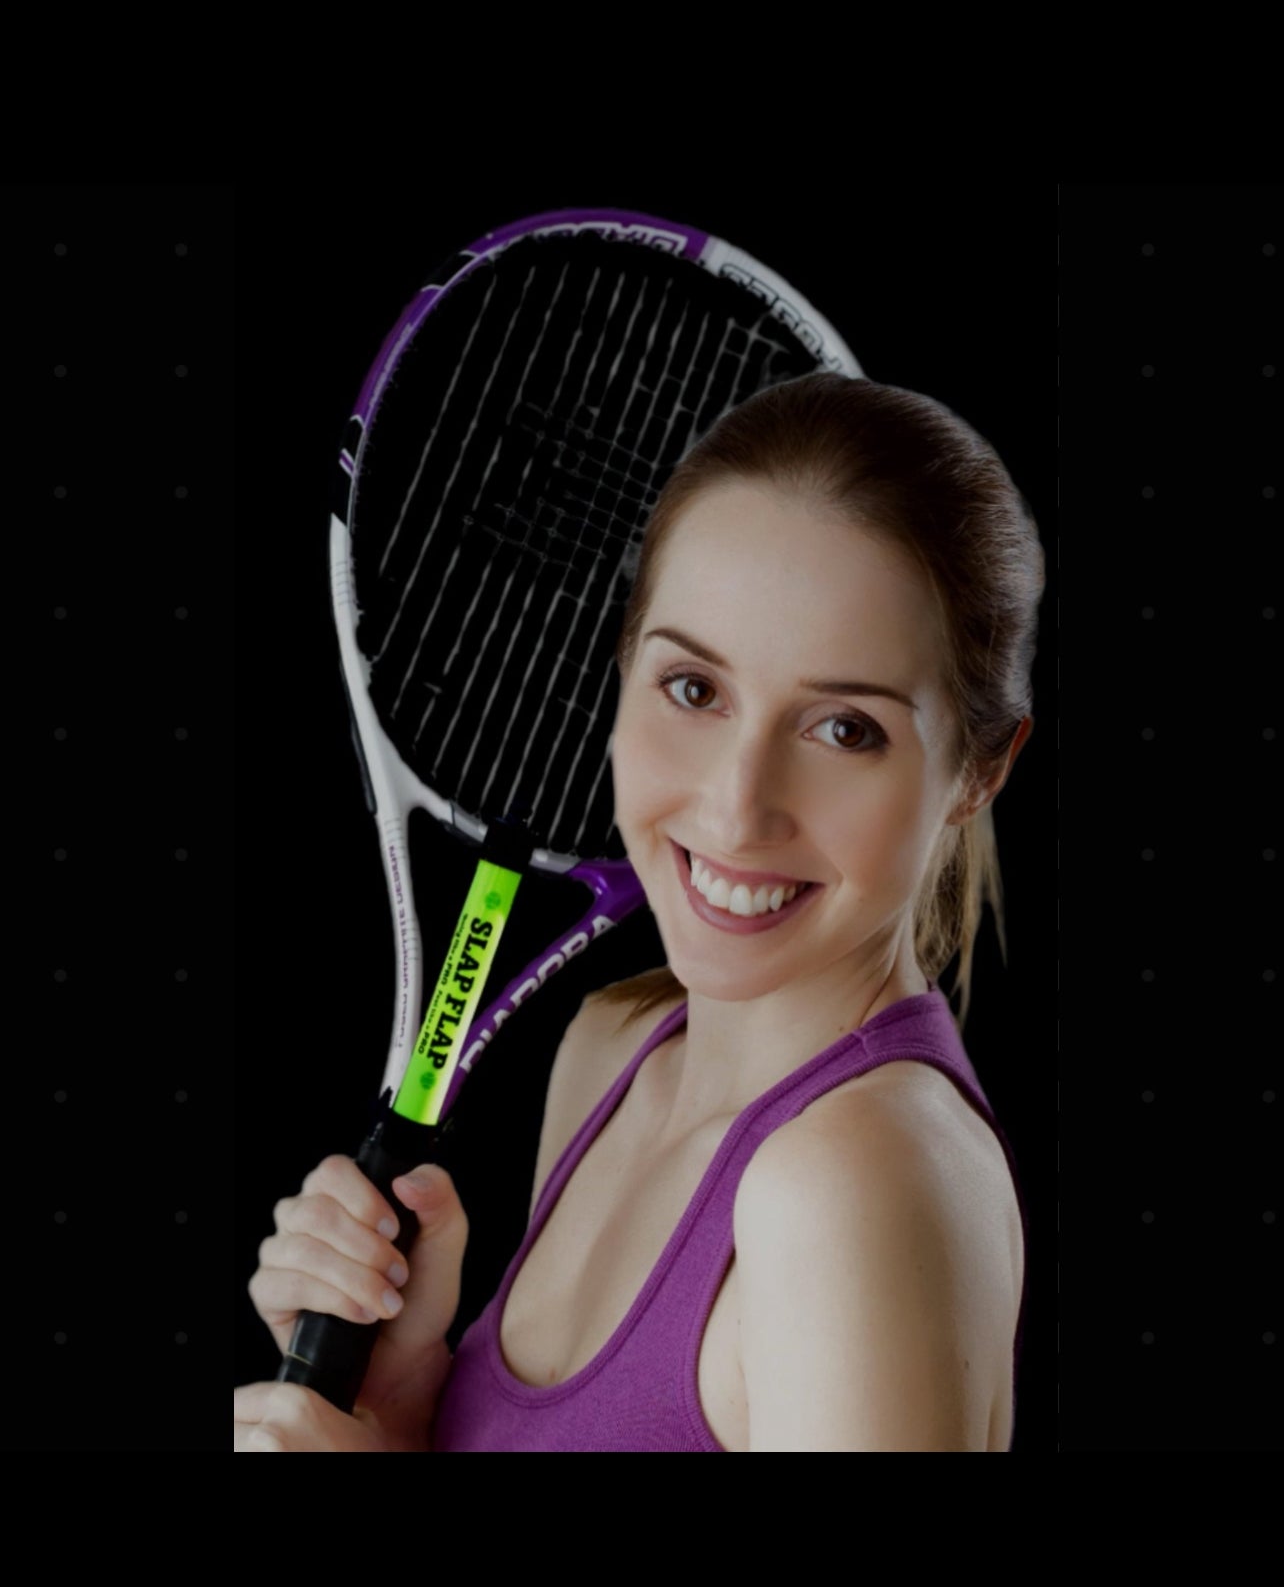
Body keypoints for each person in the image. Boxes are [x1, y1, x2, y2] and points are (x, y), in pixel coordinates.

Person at [235, 371, 1043, 1452]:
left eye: (844, 729)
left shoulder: (851, 1186)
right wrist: (401, 1407)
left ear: (980, 771)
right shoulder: (613, 1048)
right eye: (695, 689)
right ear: (623, 668)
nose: (737, 806)